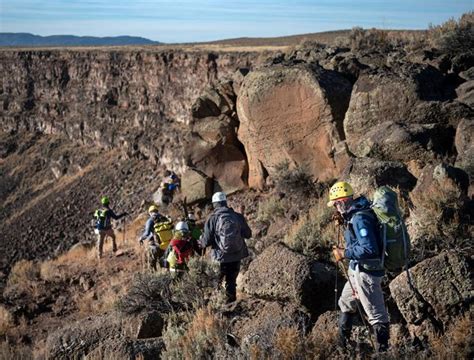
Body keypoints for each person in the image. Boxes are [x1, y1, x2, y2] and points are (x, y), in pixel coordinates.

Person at [329, 181, 390, 352]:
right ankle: (342, 347)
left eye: (335, 204)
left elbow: (369, 248)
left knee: (376, 314)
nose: (334, 208)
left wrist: (344, 253)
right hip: (356, 270)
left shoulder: (360, 218)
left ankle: (383, 352)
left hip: (366, 273)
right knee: (346, 301)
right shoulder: (353, 215)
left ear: (341, 201)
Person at [199, 192, 252, 303]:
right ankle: (231, 303)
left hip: (220, 256)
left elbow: (206, 241)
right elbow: (248, 234)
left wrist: (201, 243)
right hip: (237, 254)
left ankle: (216, 304)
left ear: (214, 204)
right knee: (231, 281)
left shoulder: (212, 218)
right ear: (225, 202)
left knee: (216, 281)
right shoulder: (237, 216)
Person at [138, 205, 172, 271]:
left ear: (149, 213)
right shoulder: (164, 218)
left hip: (155, 245)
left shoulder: (150, 220)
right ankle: (168, 274)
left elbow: (147, 233)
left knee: (152, 264)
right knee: (166, 264)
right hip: (167, 244)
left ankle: (154, 275)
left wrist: (141, 238)